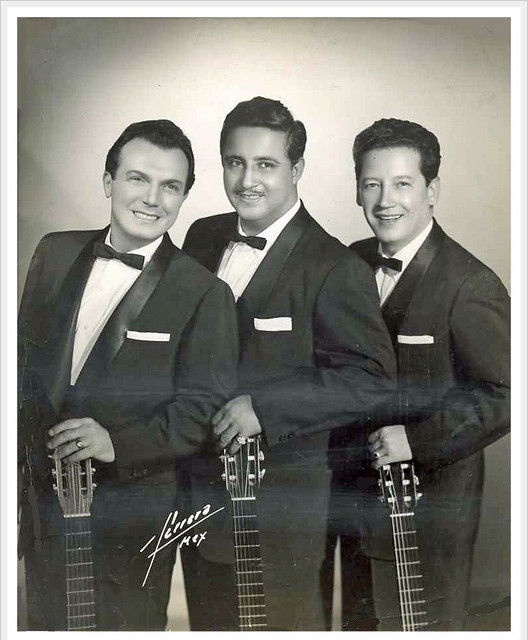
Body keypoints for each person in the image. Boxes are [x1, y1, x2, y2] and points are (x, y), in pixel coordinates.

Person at [181, 96, 397, 631]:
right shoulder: (202, 236)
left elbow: (371, 380)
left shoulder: (334, 266)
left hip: (282, 510)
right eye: (235, 162)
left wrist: (265, 406)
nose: (247, 180)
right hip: (198, 496)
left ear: (297, 169)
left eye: (266, 164)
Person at [17, 119, 239, 631]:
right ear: (108, 182)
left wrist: (115, 443)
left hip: (132, 519)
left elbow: (201, 410)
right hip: (43, 508)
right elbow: (22, 374)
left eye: (170, 186)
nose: (152, 199)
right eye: (138, 178)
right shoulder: (53, 252)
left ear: (184, 197)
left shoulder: (206, 293)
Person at [322, 117, 510, 631]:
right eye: (372, 184)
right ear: (357, 190)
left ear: (432, 191)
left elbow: (508, 393)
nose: (386, 200)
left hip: (430, 512)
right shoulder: (350, 263)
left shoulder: (469, 282)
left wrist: (418, 439)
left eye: (402, 184)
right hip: (356, 501)